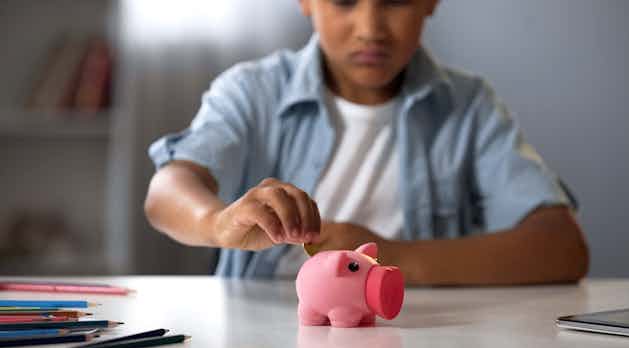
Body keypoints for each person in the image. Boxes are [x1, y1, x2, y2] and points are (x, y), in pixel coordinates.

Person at [144, 0, 589, 285]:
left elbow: (563, 248)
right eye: (344, 2)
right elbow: (166, 192)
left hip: (418, 334)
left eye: (395, 1)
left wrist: (393, 257)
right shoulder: (251, 90)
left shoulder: (469, 107)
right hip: (262, 331)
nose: (370, 27)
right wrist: (219, 222)